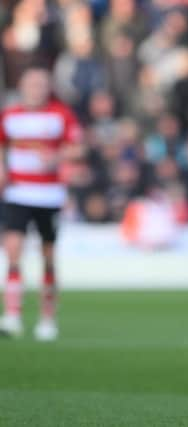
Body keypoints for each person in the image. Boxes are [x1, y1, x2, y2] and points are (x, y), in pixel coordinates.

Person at [0, 65, 83, 341]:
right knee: (13, 250)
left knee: (47, 256)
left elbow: (77, 146)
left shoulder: (60, 115)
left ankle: (47, 319)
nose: (36, 88)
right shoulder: (10, 116)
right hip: (17, 192)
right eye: (31, 83)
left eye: (41, 84)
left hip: (48, 194)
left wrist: (57, 156)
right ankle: (12, 315)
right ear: (22, 87)